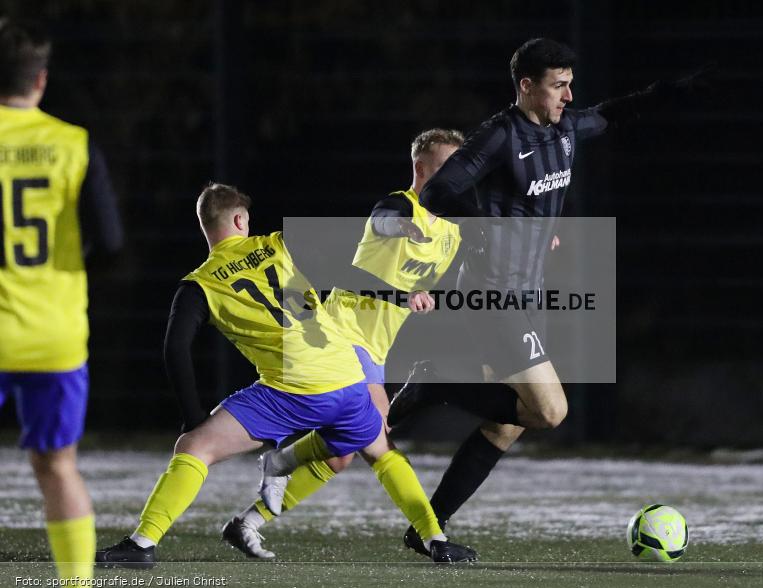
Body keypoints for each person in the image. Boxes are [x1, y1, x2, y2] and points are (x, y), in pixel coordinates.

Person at [388, 38, 710, 554]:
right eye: (558, 85)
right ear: (526, 86)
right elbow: (436, 192)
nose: (568, 94)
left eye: (569, 84)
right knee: (552, 412)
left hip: (527, 295)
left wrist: (668, 92)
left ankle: (427, 525)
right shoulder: (498, 136)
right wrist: (482, 227)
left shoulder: (564, 130)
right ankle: (437, 384)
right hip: (494, 294)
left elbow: (609, 115)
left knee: (507, 422)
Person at [94, 183, 476, 567]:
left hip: (291, 391)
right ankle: (435, 538)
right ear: (242, 219)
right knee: (380, 451)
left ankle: (142, 544)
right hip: (347, 380)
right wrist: (401, 294)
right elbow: (348, 271)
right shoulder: (279, 243)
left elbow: (175, 349)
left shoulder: (198, 285)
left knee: (195, 448)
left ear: (205, 226)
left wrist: (192, 418)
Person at [221, 129, 466, 559]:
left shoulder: (454, 227)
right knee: (379, 438)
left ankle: (248, 521)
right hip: (339, 333)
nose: (459, 176)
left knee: (339, 457)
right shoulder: (399, 207)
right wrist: (404, 229)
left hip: (374, 348)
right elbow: (380, 219)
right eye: (448, 167)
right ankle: (433, 538)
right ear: (422, 169)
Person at [0, 19, 123, 588]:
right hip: (53, 332)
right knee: (57, 467)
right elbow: (113, 241)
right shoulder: (73, 142)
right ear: (40, 80)